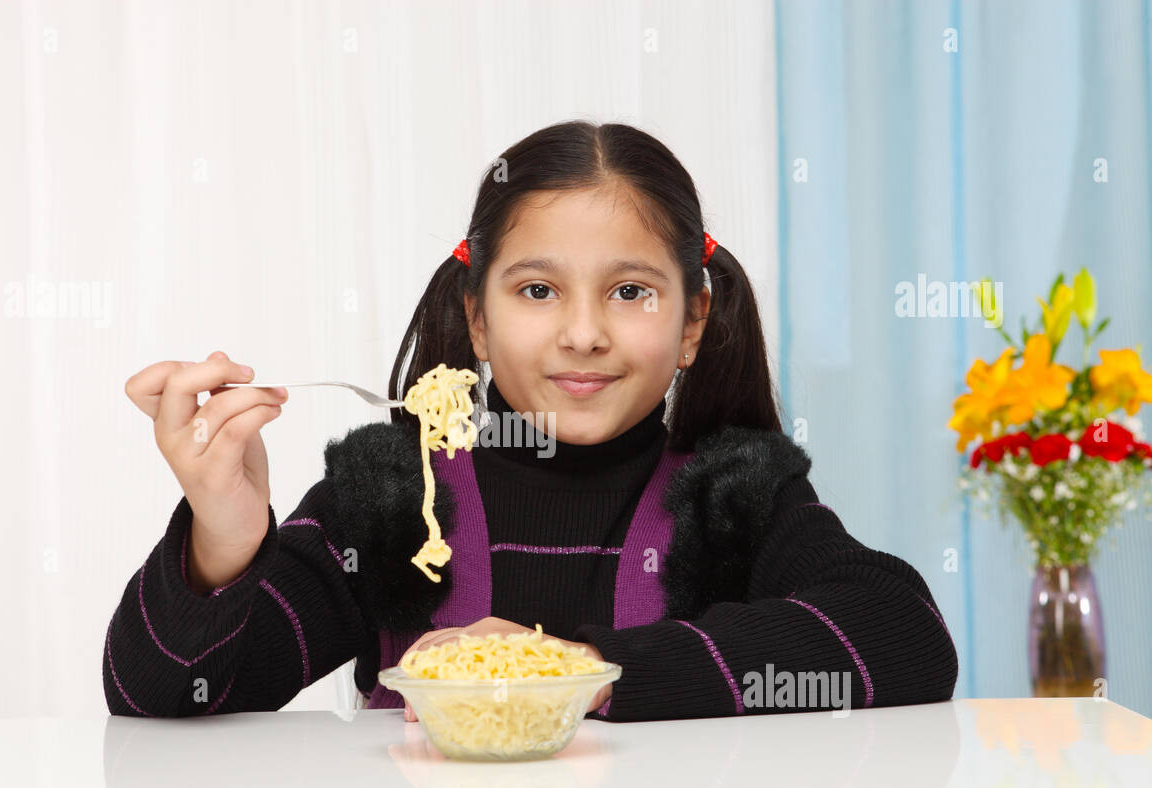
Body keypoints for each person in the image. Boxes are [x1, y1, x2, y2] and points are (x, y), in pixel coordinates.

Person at [103, 120, 958, 723]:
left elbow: (906, 634)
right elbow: (163, 696)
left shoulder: (732, 492)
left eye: (630, 292)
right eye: (538, 290)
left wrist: (583, 674)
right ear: (477, 318)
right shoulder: (401, 493)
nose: (583, 332)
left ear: (692, 323)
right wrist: (222, 535)